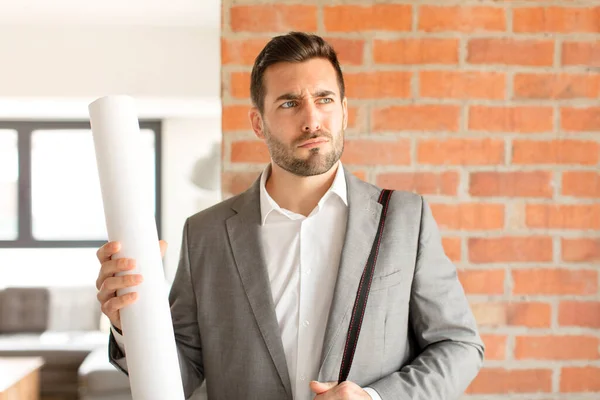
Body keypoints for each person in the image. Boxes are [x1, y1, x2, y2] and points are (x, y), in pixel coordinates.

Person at [95, 31, 484, 400]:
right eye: (289, 102)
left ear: (345, 111)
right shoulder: (205, 233)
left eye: (325, 99)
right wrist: (128, 324)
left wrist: (375, 397)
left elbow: (459, 345)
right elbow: (181, 374)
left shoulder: (405, 218)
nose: (312, 119)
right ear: (257, 124)